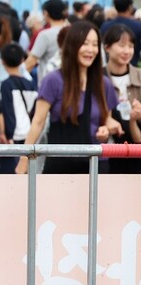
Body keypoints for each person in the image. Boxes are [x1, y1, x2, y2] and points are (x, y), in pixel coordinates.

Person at [21, 20, 121, 173]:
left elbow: (106, 119)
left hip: (96, 162)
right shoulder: (53, 80)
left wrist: (106, 130)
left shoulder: (103, 83)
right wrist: (24, 159)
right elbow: (38, 122)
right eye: (85, 43)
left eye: (95, 44)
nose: (91, 50)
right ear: (72, 45)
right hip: (61, 162)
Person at [103, 25, 141, 173]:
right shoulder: (98, 78)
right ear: (107, 47)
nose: (127, 51)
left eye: (130, 46)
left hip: (136, 151)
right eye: (121, 45)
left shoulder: (138, 76)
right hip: (108, 151)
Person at [0, 42, 39, 173]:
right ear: (22, 60)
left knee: (12, 172)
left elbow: (8, 111)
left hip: (14, 135)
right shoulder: (31, 84)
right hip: (30, 133)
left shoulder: (6, 84)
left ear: (3, 62)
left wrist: (6, 134)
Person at [26, 0, 70, 80]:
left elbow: (31, 62)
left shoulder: (45, 35)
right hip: (68, 81)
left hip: (47, 83)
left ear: (46, 13)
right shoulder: (71, 31)